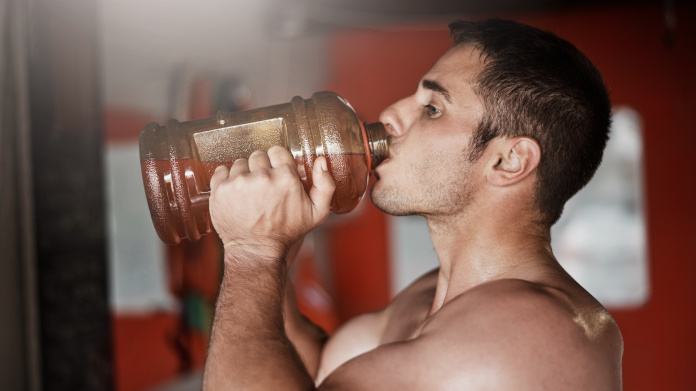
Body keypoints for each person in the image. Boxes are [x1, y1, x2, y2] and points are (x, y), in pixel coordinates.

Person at [202, 19, 623, 390]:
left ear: (508, 161)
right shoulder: (432, 294)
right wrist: (275, 250)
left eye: (433, 108)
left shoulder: (538, 330)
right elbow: (320, 373)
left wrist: (252, 254)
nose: (390, 115)